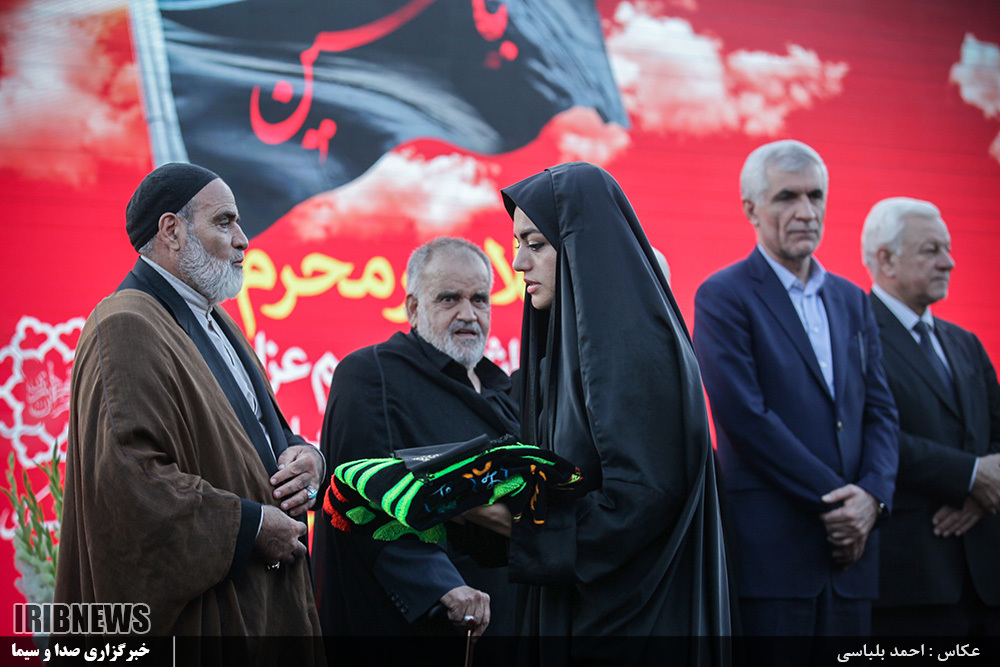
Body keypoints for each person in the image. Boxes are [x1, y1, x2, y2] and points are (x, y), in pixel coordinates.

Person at [466, 161, 734, 665]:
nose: (518, 263)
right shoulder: (566, 357)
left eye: (536, 244)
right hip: (582, 615)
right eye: (517, 243)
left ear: (582, 248)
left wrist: (509, 517)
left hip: (635, 626)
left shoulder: (635, 352)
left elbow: (641, 505)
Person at [54, 163, 324, 646]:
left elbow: (257, 438)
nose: (243, 239)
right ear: (172, 231)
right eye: (224, 222)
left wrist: (305, 457)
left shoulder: (217, 321)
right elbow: (130, 484)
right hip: (203, 623)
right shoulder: (125, 323)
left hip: (260, 606)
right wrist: (250, 527)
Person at [692, 140, 899, 644]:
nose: (806, 211)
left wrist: (872, 498)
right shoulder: (723, 295)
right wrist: (842, 505)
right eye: (787, 197)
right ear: (751, 209)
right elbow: (746, 418)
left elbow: (881, 412)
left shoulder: (852, 300)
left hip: (852, 560)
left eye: (815, 195)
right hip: (775, 557)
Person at [312, 237, 519, 639]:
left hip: (509, 623)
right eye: (449, 299)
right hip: (421, 627)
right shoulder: (371, 375)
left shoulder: (505, 393)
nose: (468, 314)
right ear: (412, 308)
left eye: (479, 299)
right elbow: (362, 503)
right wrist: (442, 586)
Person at [860, 197, 1000, 635]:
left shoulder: (966, 343)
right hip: (913, 584)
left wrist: (981, 493)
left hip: (986, 581)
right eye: (932, 250)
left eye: (948, 248)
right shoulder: (855, 336)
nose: (949, 262)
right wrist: (969, 477)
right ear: (886, 259)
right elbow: (871, 434)